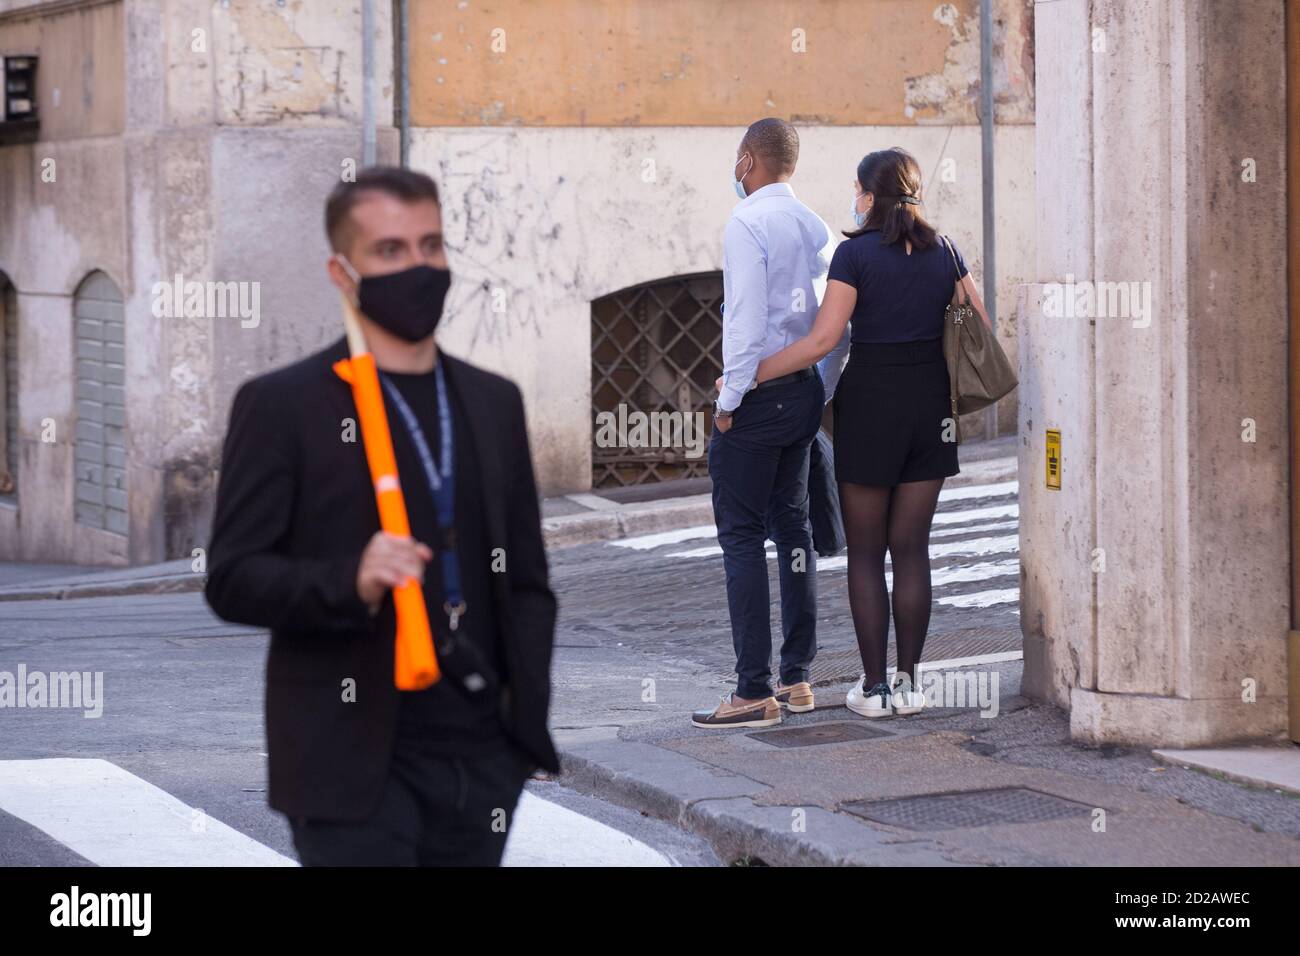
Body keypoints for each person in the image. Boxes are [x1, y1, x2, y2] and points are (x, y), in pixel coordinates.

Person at [204, 166, 558, 865]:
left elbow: (526, 583)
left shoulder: (492, 402)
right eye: (390, 251)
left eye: (431, 246)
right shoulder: (285, 405)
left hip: (481, 759)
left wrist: (521, 730)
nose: (418, 266)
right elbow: (232, 578)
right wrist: (349, 581)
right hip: (349, 766)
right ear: (343, 272)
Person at [752, 147, 992, 719]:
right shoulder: (945, 250)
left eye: (857, 190)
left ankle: (875, 689)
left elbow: (822, 340)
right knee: (912, 550)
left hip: (870, 408)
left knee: (866, 553)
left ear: (868, 195)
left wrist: (755, 373)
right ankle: (910, 686)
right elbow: (979, 323)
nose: (853, 200)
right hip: (931, 407)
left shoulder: (854, 256)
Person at [692, 118, 842, 730]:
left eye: (737, 157)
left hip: (757, 401)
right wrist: (819, 391)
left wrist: (728, 401)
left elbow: (746, 323)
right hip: (803, 395)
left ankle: (753, 689)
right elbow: (839, 329)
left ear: (748, 159)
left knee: (742, 537)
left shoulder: (747, 222)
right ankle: (797, 678)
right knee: (794, 529)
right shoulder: (817, 227)